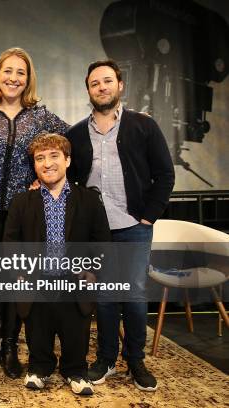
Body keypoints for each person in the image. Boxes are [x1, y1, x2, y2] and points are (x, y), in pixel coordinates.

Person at [0, 47, 69, 379]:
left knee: (13, 281)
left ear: (28, 79)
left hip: (21, 214)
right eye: (8, 71)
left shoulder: (42, 117)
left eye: (20, 72)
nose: (13, 78)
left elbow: (70, 144)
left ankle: (9, 346)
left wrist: (44, 178)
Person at [66, 60, 175, 392]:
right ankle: (106, 359)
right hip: (96, 231)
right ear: (88, 90)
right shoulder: (75, 134)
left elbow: (165, 174)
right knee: (104, 297)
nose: (102, 87)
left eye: (107, 80)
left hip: (133, 226)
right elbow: (69, 181)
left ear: (120, 85)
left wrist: (148, 215)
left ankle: (136, 360)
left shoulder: (143, 126)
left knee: (134, 296)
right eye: (95, 83)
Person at [4, 133, 111, 395]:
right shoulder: (22, 202)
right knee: (38, 329)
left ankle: (75, 370)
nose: (47, 163)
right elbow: (11, 241)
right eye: (40, 158)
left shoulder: (88, 201)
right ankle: (39, 367)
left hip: (75, 281)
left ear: (68, 160)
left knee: (75, 330)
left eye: (54, 156)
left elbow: (102, 241)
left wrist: (92, 270)